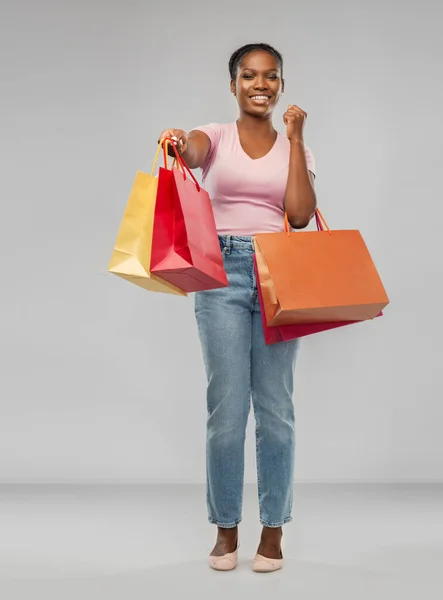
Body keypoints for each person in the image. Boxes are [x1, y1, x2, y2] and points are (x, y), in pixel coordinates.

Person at [158, 42, 317, 573]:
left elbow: (297, 216)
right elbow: (194, 151)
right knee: (226, 409)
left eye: (270, 77)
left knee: (276, 409)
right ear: (233, 85)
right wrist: (181, 140)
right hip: (220, 272)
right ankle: (226, 527)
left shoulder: (296, 146)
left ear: (281, 86)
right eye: (249, 76)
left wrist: (295, 140)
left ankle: (272, 531)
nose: (260, 84)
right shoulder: (218, 135)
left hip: (280, 275)